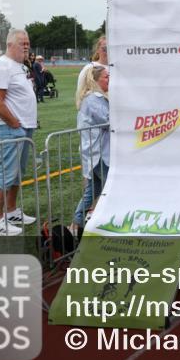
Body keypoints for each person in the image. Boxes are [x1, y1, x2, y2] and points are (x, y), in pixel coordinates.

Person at [0, 29, 39, 236]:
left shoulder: (18, 66)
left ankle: (11, 211)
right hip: (11, 128)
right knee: (6, 172)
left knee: (17, 172)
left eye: (27, 43)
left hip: (24, 126)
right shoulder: (2, 65)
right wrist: (14, 123)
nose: (26, 46)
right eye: (22, 43)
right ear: (10, 45)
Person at [73, 65, 110, 234]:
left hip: (98, 152)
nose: (109, 80)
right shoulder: (93, 99)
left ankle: (77, 224)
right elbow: (108, 119)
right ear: (95, 81)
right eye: (106, 77)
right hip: (99, 154)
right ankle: (109, 223)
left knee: (93, 190)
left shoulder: (97, 98)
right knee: (110, 188)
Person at [77, 35, 108, 103]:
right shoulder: (89, 68)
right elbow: (81, 92)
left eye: (111, 48)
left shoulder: (118, 68)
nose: (108, 51)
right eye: (105, 49)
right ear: (97, 50)